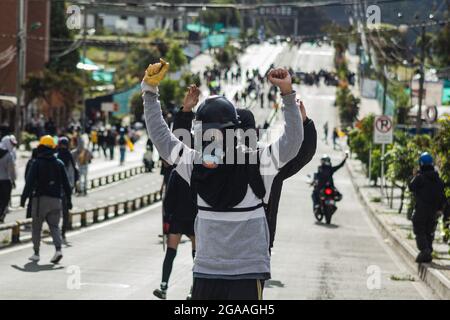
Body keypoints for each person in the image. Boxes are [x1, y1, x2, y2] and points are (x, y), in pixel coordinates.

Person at [142, 59, 303, 300]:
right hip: (247, 274)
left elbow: (161, 138)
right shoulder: (258, 162)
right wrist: (287, 93)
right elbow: (292, 142)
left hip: (207, 272)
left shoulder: (194, 164)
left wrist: (150, 91)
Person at [153, 86, 200, 300]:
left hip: (179, 217)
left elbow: (168, 201)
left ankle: (164, 286)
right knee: (197, 256)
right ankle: (193, 290)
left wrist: (167, 220)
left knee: (171, 253)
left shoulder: (176, 172)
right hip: (196, 217)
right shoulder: (200, 167)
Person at [20, 135, 72, 263]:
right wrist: (69, 200)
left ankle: (36, 253)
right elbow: (66, 184)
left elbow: (29, 183)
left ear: (41, 147)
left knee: (36, 227)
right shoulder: (59, 163)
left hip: (40, 200)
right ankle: (58, 250)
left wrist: (23, 199)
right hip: (56, 200)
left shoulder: (37, 163)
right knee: (54, 226)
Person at [408, 152, 446, 263]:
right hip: (434, 210)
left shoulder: (420, 178)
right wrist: (440, 209)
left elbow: (411, 187)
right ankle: (428, 250)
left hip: (421, 210)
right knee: (429, 231)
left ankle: (425, 250)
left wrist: (414, 175)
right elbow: (442, 195)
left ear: (421, 164)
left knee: (419, 229)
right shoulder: (438, 179)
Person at [56, 136, 77, 241]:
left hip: (56, 188)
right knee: (65, 211)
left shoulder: (56, 156)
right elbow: (74, 172)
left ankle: (55, 231)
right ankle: (63, 232)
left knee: (54, 211)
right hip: (67, 188)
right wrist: (72, 186)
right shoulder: (70, 156)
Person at [0, 136, 17, 223]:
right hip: (5, 181)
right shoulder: (8, 155)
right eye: (12, 144)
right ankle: (1, 216)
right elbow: (12, 170)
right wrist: (13, 180)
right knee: (5, 199)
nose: (13, 146)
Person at [24, 148, 38, 219]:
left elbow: (26, 174)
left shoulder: (30, 161)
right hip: (36, 187)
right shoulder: (37, 162)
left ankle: (28, 218)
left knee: (30, 203)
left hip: (30, 185)